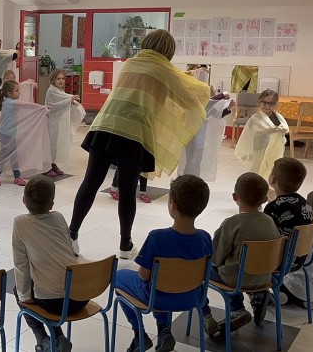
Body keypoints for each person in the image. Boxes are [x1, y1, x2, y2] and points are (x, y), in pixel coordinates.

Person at [68, 30, 210, 259]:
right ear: (168, 51)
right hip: (133, 133)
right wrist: (201, 87)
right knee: (127, 191)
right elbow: (189, 100)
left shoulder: (130, 63)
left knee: (91, 182)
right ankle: (125, 244)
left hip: (104, 126)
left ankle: (71, 234)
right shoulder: (164, 71)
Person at [114, 175, 213, 352]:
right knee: (166, 282)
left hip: (157, 298)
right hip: (192, 297)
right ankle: (163, 330)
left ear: (172, 204)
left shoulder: (157, 237)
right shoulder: (205, 238)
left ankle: (139, 334)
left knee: (119, 276)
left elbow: (144, 275)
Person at [201, 173, 281, 338]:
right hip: (264, 277)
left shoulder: (231, 223)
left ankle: (233, 309)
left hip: (236, 279)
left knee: (202, 268)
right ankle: (258, 294)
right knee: (237, 266)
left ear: (235, 197)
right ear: (265, 199)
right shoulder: (269, 221)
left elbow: (216, 258)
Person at [12, 175, 86, 352]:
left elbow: (21, 265)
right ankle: (58, 338)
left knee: (19, 290)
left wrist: (25, 298)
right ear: (52, 205)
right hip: (81, 296)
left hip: (54, 302)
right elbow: (70, 250)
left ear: (23, 200)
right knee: (48, 284)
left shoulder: (20, 222)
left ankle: (45, 339)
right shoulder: (58, 217)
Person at [252, 157, 313, 324]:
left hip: (278, 263)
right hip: (299, 259)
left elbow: (263, 236)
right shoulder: (305, 204)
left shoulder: (274, 207)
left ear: (272, 180)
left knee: (244, 258)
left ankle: (258, 293)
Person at [0, 80, 50, 186]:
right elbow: (27, 105)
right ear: (9, 93)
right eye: (17, 90)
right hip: (5, 135)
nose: (19, 92)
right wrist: (42, 108)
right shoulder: (10, 103)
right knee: (4, 157)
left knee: (14, 156)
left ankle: (17, 176)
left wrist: (42, 109)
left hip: (11, 134)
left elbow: (26, 108)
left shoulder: (10, 102)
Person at [177, 90, 234, 181]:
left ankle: (194, 179)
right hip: (190, 139)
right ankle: (187, 179)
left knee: (197, 161)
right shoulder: (196, 104)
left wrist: (229, 107)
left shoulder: (207, 106)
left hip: (200, 140)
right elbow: (209, 102)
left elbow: (217, 114)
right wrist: (223, 95)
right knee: (191, 160)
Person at [234, 89, 289, 179]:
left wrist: (282, 129)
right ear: (259, 102)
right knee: (258, 168)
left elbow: (284, 128)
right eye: (264, 103)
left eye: (270, 103)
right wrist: (269, 130)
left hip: (274, 148)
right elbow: (256, 130)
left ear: (275, 104)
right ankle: (257, 183)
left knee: (271, 168)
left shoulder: (278, 116)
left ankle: (268, 183)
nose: (267, 106)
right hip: (260, 148)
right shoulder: (255, 118)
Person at [44, 70, 85, 177]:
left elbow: (64, 97)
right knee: (50, 144)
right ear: (53, 80)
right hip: (51, 122)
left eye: (63, 78)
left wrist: (71, 100)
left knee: (55, 144)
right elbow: (54, 105)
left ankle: (53, 164)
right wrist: (70, 100)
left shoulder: (59, 90)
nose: (61, 80)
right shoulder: (52, 91)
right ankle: (46, 166)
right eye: (58, 78)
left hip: (56, 122)